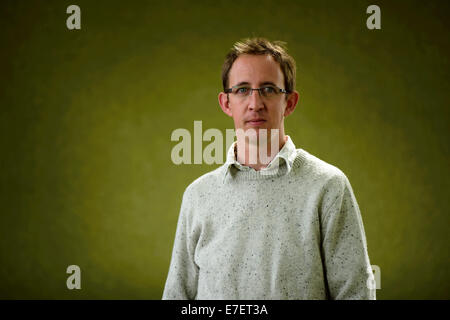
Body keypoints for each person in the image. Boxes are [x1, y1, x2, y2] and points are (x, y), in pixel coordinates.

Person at [162, 37, 376, 300]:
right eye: (242, 90)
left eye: (268, 89)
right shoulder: (198, 195)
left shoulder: (328, 186)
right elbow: (177, 297)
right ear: (226, 103)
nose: (255, 104)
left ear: (290, 102)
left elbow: (355, 294)